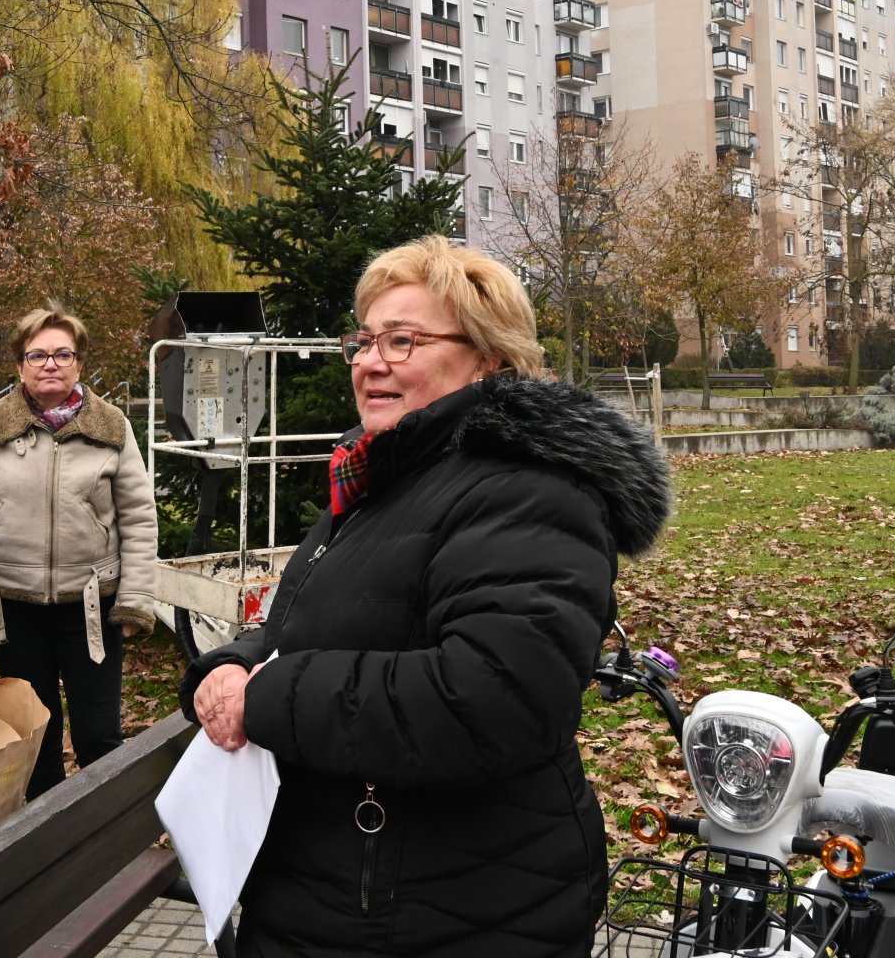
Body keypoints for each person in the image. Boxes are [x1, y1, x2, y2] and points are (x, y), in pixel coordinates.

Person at [182, 237, 671, 958]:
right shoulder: (386, 477)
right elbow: (314, 624)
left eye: (403, 340)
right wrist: (229, 665)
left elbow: (493, 699)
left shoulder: (529, 489)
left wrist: (269, 695)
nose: (370, 361)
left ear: (490, 358)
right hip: (342, 894)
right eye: (365, 340)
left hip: (443, 914)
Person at [0, 305, 157, 798]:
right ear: (20, 365)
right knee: (33, 737)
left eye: (63, 354)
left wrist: (135, 599)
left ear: (79, 363)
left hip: (92, 611)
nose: (50, 364)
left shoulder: (111, 426)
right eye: (37, 355)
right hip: (14, 610)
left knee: (97, 735)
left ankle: (106, 837)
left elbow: (140, 517)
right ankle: (45, 842)